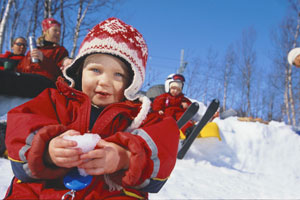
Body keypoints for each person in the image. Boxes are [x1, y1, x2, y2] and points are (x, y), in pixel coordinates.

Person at [4, 17, 179, 199]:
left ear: (132, 84)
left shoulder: (137, 117)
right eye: (96, 70)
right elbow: (22, 122)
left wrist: (124, 157)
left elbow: (165, 139)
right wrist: (47, 150)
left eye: (118, 75)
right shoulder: (57, 100)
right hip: (47, 190)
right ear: (79, 71)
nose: (104, 81)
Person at [16, 18, 72, 82]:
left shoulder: (60, 51)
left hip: (45, 83)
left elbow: (59, 74)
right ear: (45, 31)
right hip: (24, 81)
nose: (58, 33)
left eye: (59, 31)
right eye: (55, 30)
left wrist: (44, 59)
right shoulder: (33, 51)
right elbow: (20, 69)